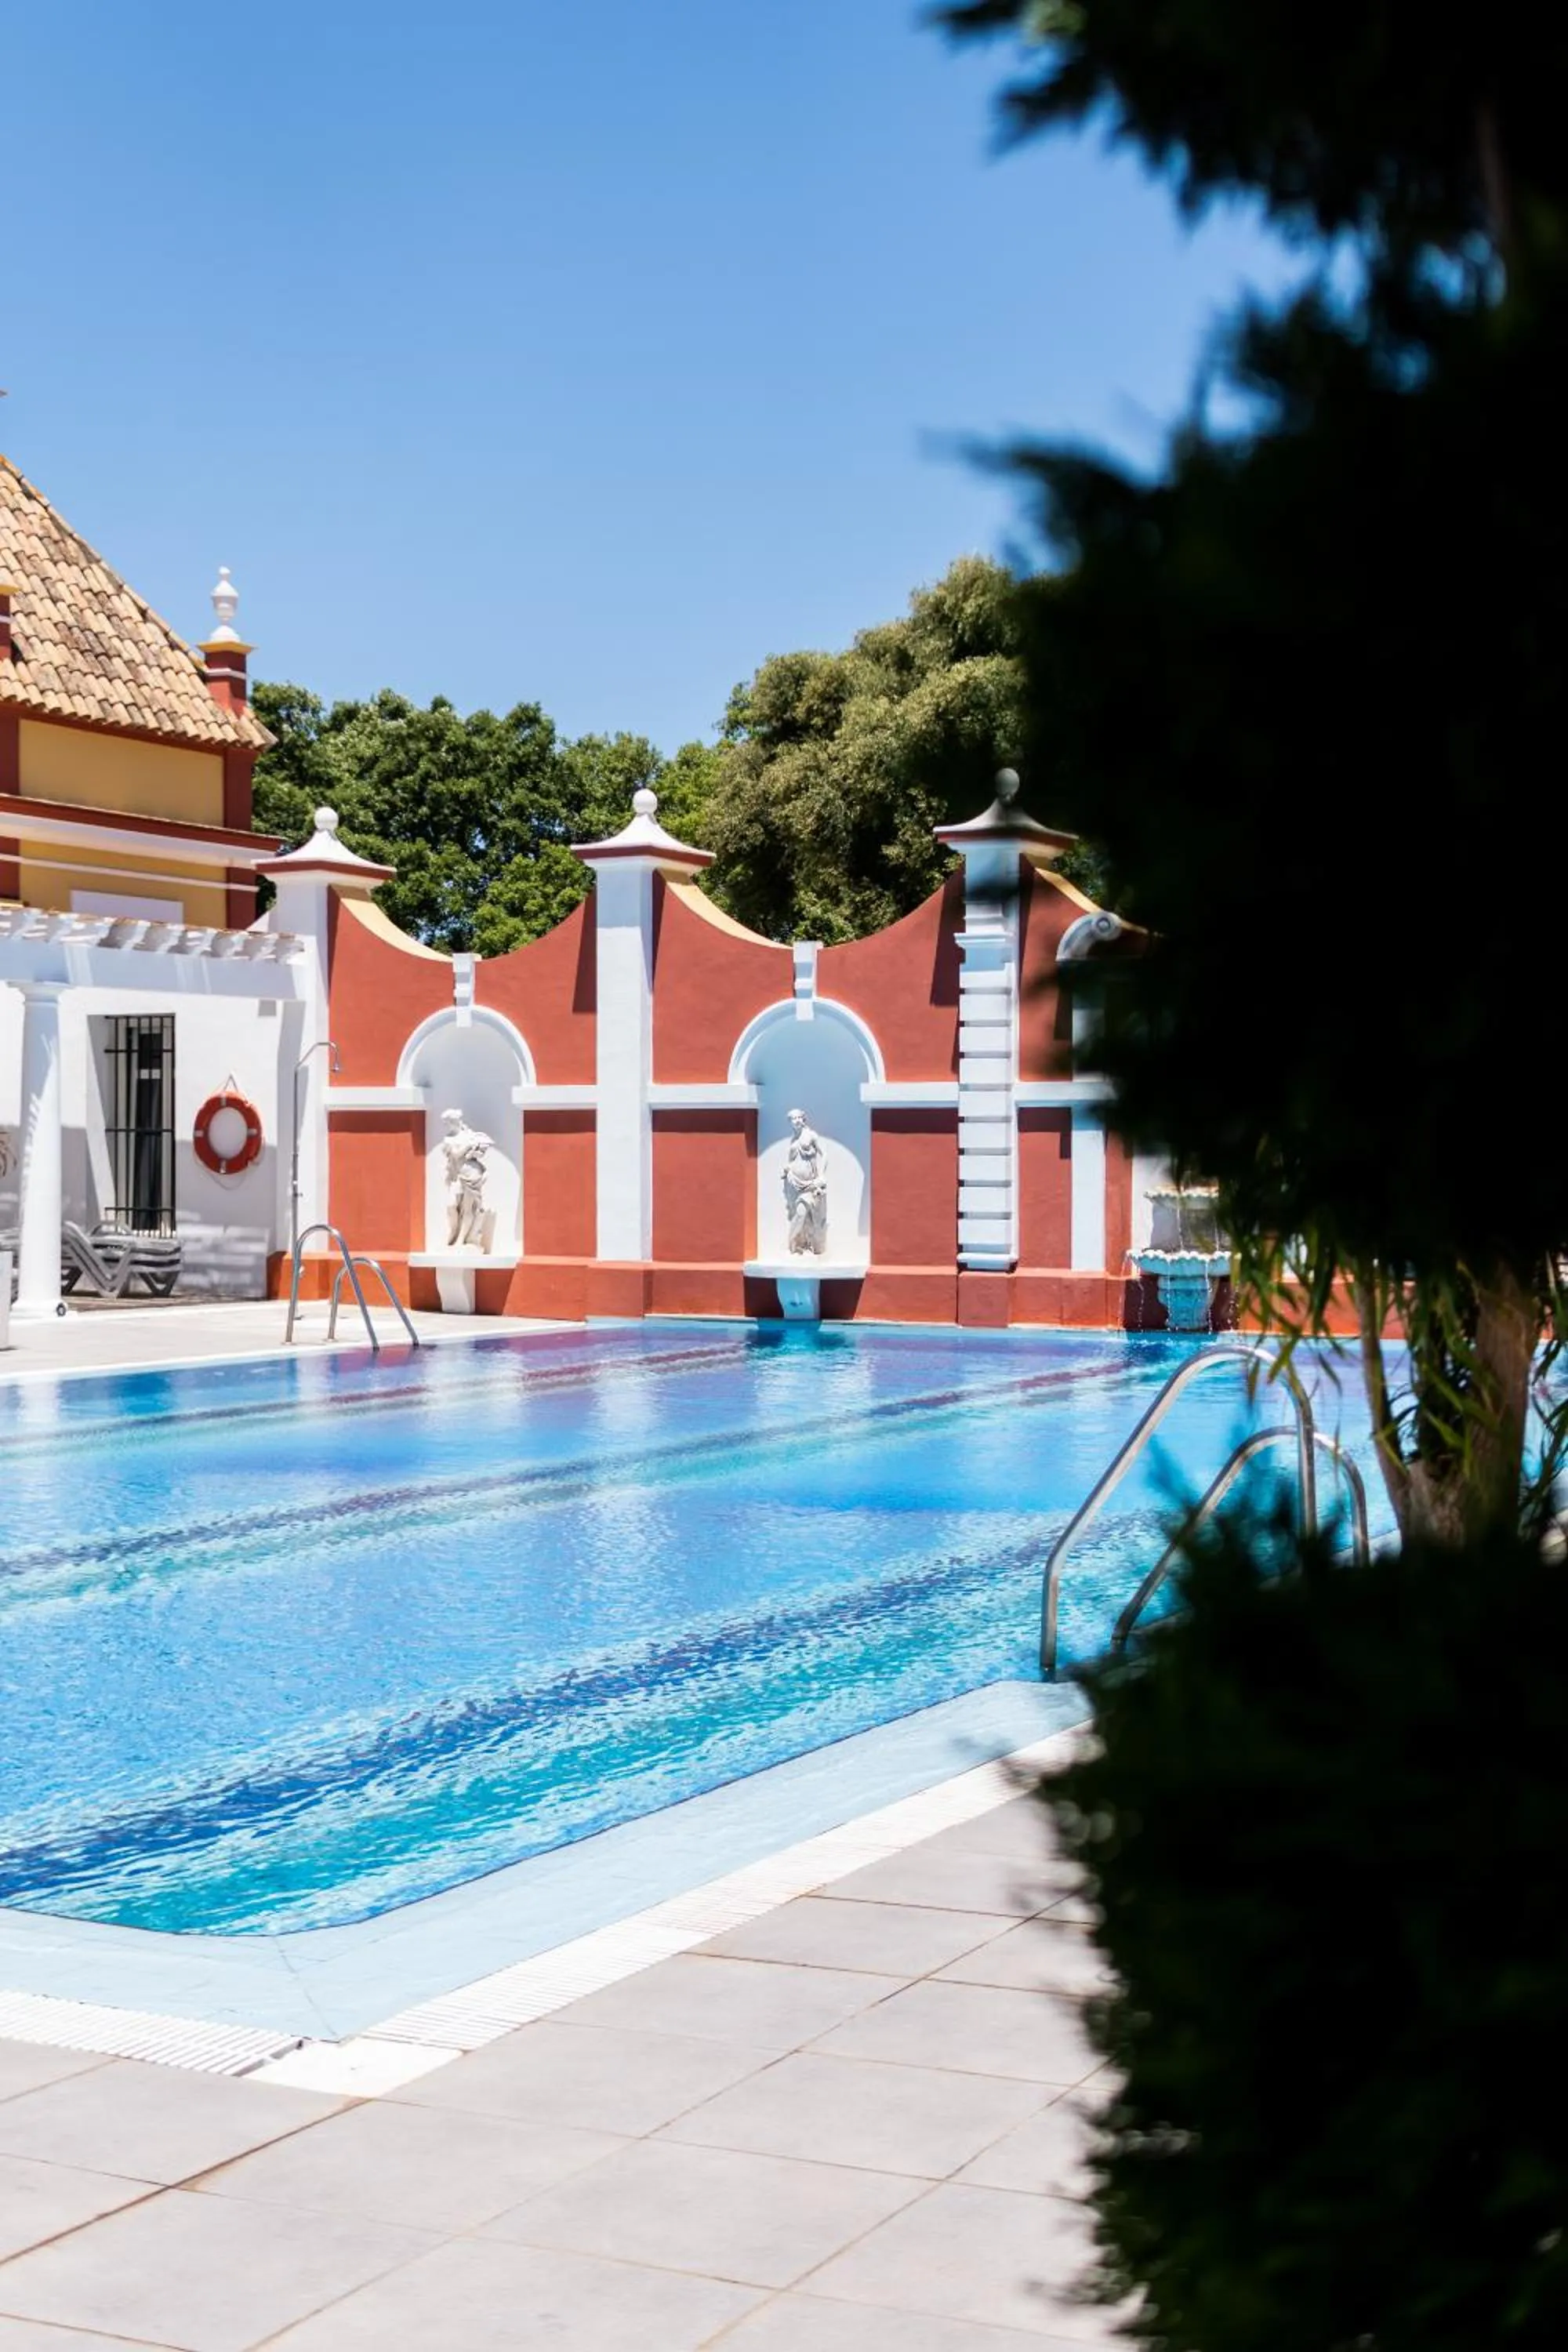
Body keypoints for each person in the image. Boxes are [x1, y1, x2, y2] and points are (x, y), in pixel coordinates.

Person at [441, 1108, 492, 1249]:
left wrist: (477, 1149)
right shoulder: (449, 1139)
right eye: (446, 1123)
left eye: (449, 1122)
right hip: (456, 1176)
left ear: (455, 1121)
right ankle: (454, 1233)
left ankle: (463, 1240)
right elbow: (456, 1155)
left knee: (468, 1209)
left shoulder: (470, 1135)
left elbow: (479, 1154)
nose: (448, 1125)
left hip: (471, 1174)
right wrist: (468, 1146)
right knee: (451, 1206)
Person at [782, 1107, 829, 1255]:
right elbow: (792, 1161)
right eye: (792, 1119)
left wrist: (822, 1175)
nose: (795, 1121)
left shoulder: (811, 1135)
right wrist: (787, 1169)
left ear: (803, 1119)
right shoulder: (793, 1140)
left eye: (798, 1118)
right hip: (794, 1182)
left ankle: (792, 1242)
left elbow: (824, 1154)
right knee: (801, 1214)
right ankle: (802, 1245)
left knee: (802, 1212)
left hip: (810, 1184)